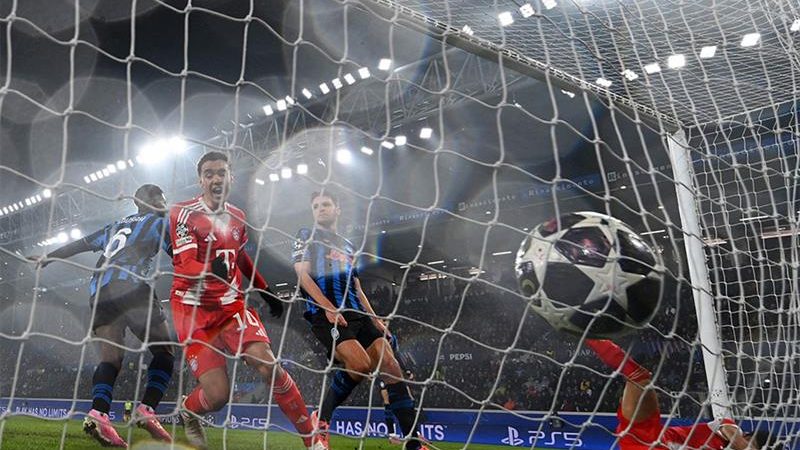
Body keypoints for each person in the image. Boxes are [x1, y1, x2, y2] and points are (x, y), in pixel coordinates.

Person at [169, 151, 323, 450]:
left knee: (270, 366)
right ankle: (189, 410)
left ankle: (313, 442)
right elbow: (184, 264)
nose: (216, 178)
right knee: (217, 397)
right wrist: (209, 270)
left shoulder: (237, 216)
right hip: (193, 311)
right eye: (209, 173)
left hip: (231, 305)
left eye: (221, 172)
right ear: (200, 180)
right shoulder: (182, 213)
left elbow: (239, 257)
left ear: (231, 177)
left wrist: (265, 290)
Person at [29, 184, 175, 447]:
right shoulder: (158, 222)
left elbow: (80, 244)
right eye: (160, 200)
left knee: (111, 360)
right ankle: (147, 410)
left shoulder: (115, 226)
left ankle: (99, 414)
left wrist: (48, 257)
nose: (165, 205)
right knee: (165, 351)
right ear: (145, 202)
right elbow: (178, 255)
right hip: (131, 285)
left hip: (99, 292)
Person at [293, 190, 426, 450]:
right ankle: (320, 418)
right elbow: (302, 276)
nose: (321, 209)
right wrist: (329, 307)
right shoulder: (305, 235)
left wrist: (376, 319)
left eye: (326, 204)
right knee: (360, 365)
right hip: (326, 314)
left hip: (358, 312)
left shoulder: (347, 244)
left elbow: (357, 286)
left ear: (337, 209)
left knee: (391, 366)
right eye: (316, 206)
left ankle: (413, 442)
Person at [584, 339, 780, 450]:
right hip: (647, 438)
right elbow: (727, 427)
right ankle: (586, 330)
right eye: (751, 443)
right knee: (640, 378)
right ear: (746, 435)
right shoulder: (728, 430)